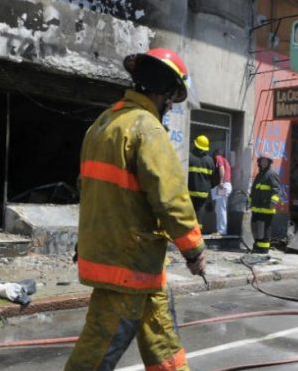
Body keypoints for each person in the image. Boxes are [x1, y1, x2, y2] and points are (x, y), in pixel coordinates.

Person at [67, 48, 205, 370]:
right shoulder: (148, 129)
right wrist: (194, 249)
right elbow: (170, 198)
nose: (171, 105)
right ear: (164, 92)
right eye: (172, 97)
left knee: (162, 340)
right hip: (127, 264)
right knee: (96, 351)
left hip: (132, 261)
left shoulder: (103, 124)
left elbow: (88, 190)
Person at [248, 155, 280, 254]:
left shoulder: (271, 174)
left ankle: (264, 248)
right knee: (255, 227)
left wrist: (273, 202)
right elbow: (253, 190)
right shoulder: (259, 175)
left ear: (269, 163)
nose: (263, 163)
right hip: (257, 208)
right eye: (262, 161)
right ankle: (257, 245)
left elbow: (276, 189)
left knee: (264, 229)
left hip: (266, 208)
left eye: (266, 161)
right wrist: (249, 202)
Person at [188, 135, 214, 228]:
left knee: (188, 218)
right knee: (198, 220)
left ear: (195, 144)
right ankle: (197, 237)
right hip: (202, 194)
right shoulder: (209, 161)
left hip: (189, 192)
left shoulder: (188, 157)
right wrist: (210, 199)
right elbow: (212, 180)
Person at [211, 149, 232, 236]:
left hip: (222, 186)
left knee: (220, 209)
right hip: (224, 185)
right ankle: (221, 229)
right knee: (219, 208)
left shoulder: (218, 158)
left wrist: (221, 182)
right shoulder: (225, 160)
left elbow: (221, 168)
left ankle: (222, 230)